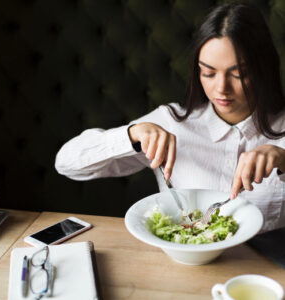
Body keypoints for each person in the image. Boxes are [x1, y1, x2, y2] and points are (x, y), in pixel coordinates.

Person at [55, 3, 285, 232]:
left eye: (238, 74)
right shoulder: (172, 122)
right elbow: (67, 164)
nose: (221, 88)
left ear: (262, 69)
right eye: (209, 73)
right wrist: (132, 134)